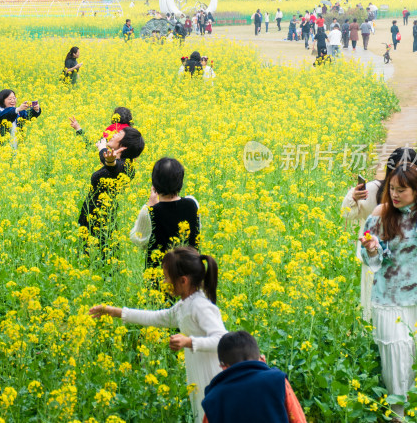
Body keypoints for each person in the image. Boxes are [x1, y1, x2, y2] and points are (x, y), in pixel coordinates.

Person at [360, 164, 417, 419]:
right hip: (390, 299)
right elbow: (372, 257)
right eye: (391, 188)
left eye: (401, 190)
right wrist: (370, 248)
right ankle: (398, 417)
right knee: (396, 361)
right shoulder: (381, 214)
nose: (394, 194)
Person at [89, 248, 226, 423]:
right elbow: (157, 317)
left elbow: (222, 339)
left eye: (168, 278)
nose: (164, 282)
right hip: (199, 373)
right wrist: (113, 311)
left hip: (212, 374)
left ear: (183, 281)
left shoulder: (200, 305)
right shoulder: (185, 304)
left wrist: (189, 341)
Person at [341, 148, 417, 323]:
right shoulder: (374, 190)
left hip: (407, 267)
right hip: (375, 263)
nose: (403, 175)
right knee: (374, 312)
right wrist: (353, 197)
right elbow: (347, 213)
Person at [201, 331, 307, 423]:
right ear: (262, 359)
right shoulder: (277, 381)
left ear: (223, 366)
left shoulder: (213, 398)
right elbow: (298, 419)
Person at [74, 123, 145, 252]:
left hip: (100, 218)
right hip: (92, 214)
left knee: (101, 252)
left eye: (119, 134)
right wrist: (79, 130)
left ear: (123, 146)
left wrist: (107, 156)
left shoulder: (125, 167)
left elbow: (113, 167)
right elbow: (106, 159)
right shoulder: (117, 161)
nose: (114, 134)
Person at [129, 158, 201, 269]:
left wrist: (150, 206)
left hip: (160, 277)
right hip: (191, 273)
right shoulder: (193, 203)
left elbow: (139, 240)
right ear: (180, 181)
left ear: (154, 183)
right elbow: (196, 229)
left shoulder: (149, 212)